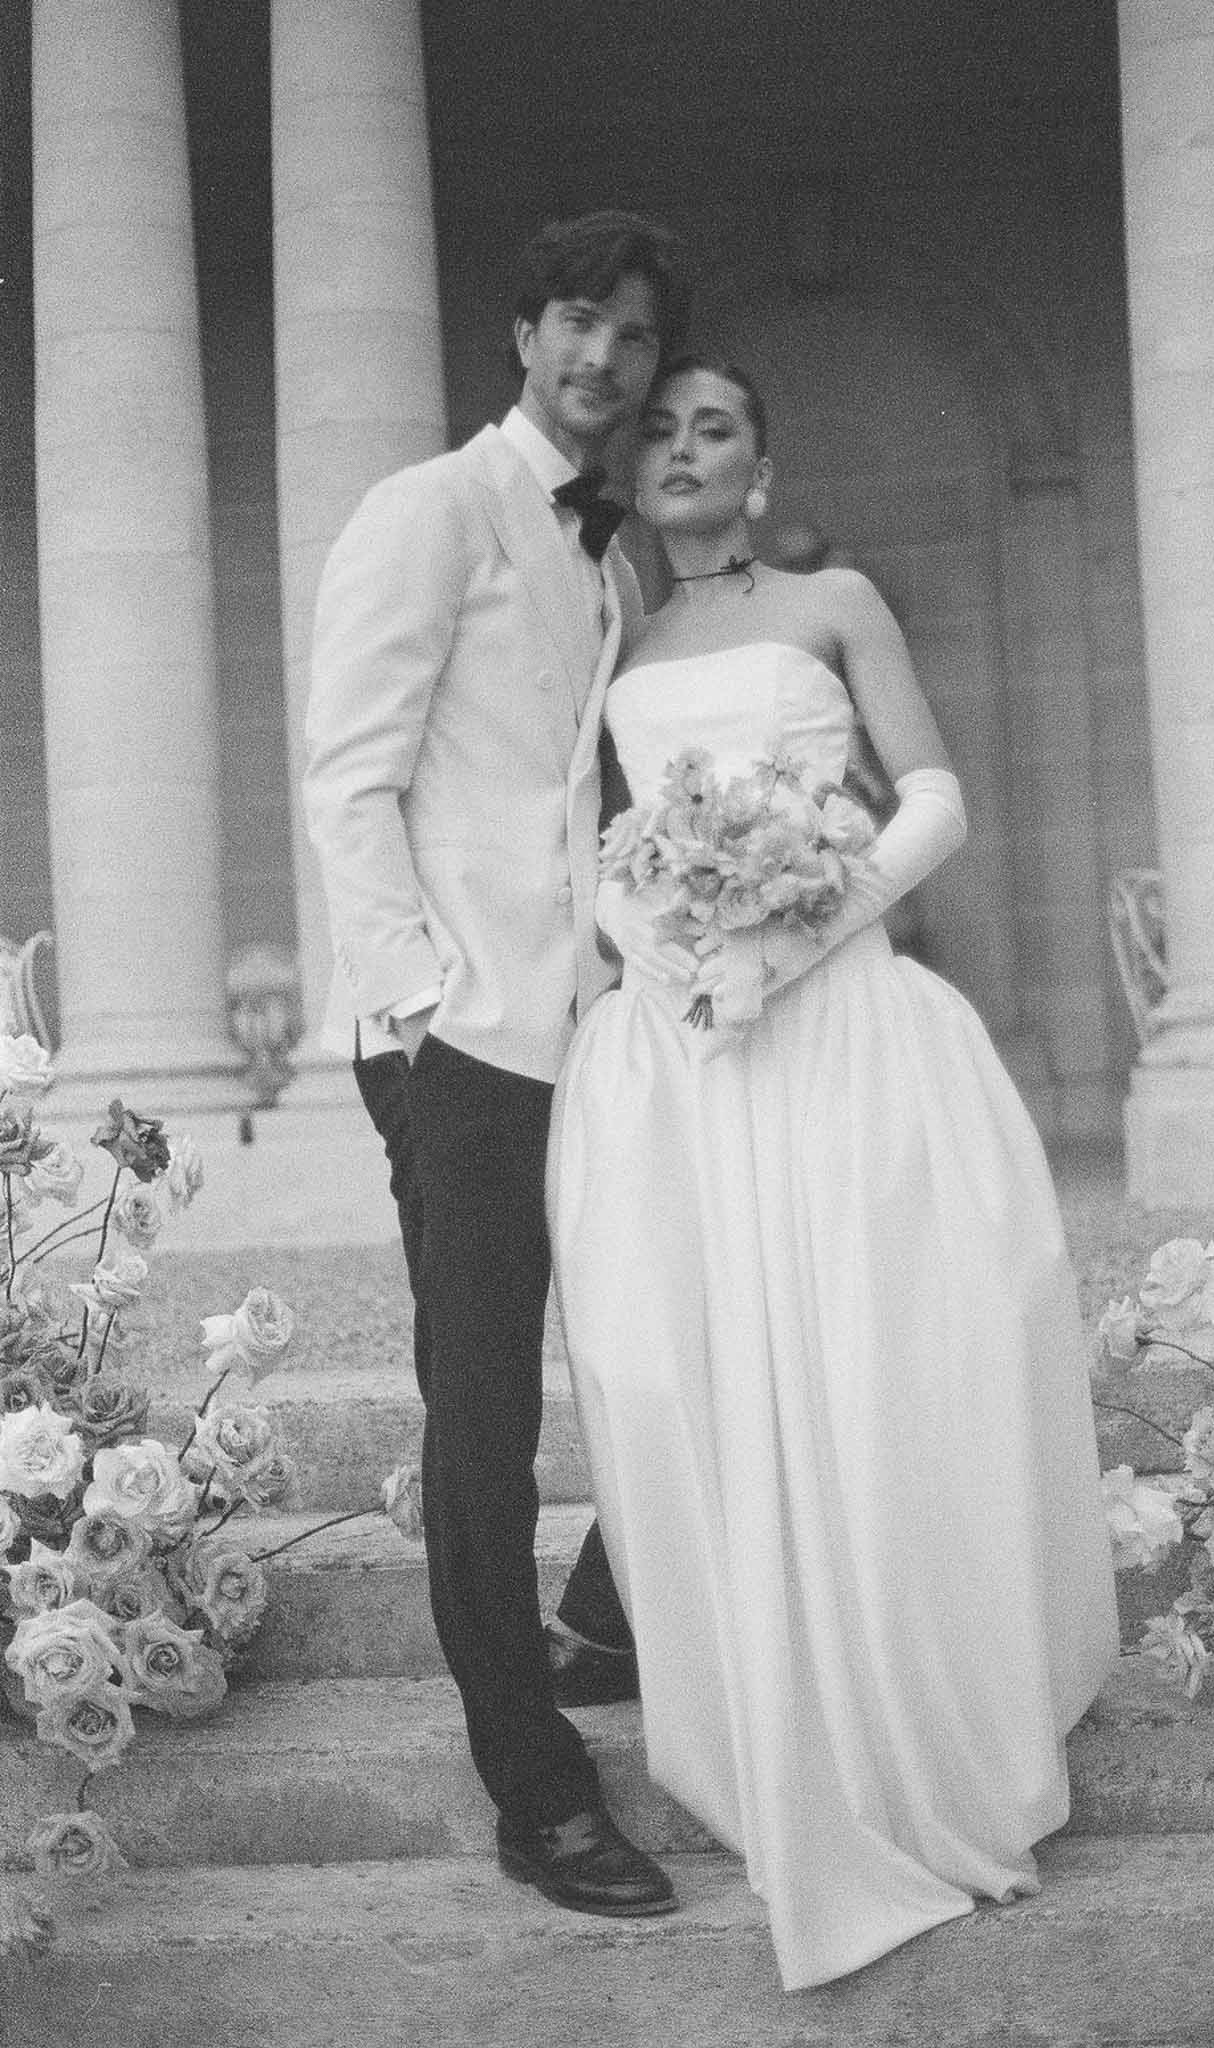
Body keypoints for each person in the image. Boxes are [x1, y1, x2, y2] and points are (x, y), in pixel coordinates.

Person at [546, 357, 1119, 1986]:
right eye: (654, 430)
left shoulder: (833, 599)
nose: (678, 450)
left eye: (709, 427)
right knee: (705, 1378)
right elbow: (588, 843)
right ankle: (773, 1720)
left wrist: (801, 925)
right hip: (687, 1055)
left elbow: (932, 799)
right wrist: (661, 938)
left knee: (880, 1363)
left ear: (761, 458)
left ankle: (917, 1713)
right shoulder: (614, 646)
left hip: (836, 1027)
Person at [303, 211, 696, 1919]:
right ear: (522, 330)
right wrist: (412, 1006)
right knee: (482, 1415)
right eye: (578, 324)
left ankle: (604, 1618)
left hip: (592, 1031)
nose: (603, 358)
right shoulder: (431, 507)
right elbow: (349, 774)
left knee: (677, 1324)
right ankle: (532, 1791)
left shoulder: (617, 562)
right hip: (459, 1038)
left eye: (631, 334)